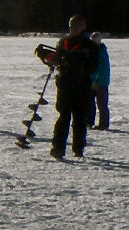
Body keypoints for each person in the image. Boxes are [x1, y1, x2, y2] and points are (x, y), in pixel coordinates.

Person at [43, 14, 101, 159]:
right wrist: (46, 56)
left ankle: (78, 148)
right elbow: (57, 59)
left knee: (79, 119)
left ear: (83, 27)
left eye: (77, 26)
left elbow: (93, 67)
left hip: (82, 87)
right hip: (64, 86)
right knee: (63, 117)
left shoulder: (90, 46)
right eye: (71, 26)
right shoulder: (63, 42)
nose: (73, 29)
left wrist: (76, 64)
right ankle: (58, 148)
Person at [89, 32, 111, 130]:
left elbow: (102, 68)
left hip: (100, 82)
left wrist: (97, 80)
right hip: (92, 80)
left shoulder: (101, 52)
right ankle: (89, 121)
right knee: (89, 102)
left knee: (102, 104)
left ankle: (103, 124)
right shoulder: (93, 51)